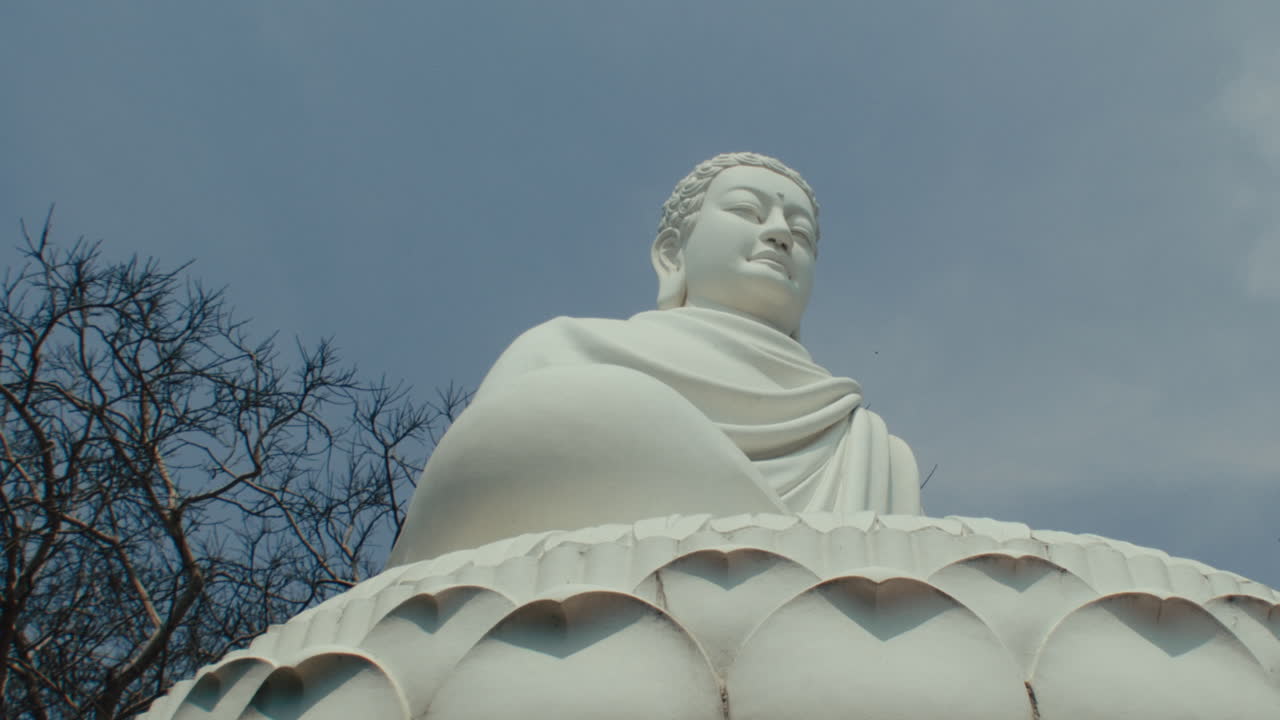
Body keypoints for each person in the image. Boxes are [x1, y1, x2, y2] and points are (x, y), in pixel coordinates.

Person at [387, 152, 921, 566]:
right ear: (672, 254)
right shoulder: (564, 349)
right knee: (573, 406)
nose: (781, 234)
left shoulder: (865, 442)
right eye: (746, 211)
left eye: (802, 234)